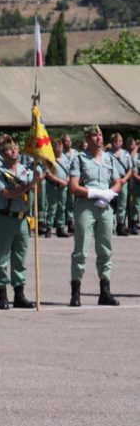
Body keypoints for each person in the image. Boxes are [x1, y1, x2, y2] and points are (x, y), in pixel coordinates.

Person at [67, 125, 122, 307]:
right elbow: (73, 187)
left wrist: (108, 194)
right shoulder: (79, 159)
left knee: (105, 250)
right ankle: (76, 292)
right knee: (81, 250)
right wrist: (96, 193)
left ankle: (104, 291)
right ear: (88, 139)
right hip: (86, 206)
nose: (99, 138)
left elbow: (118, 182)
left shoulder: (109, 159)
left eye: (100, 134)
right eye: (95, 135)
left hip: (104, 206)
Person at [0, 136, 40, 310]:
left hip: (23, 219)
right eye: (9, 149)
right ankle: (2, 294)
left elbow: (35, 183)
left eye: (16, 148)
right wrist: (30, 185)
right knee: (2, 258)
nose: (14, 151)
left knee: (20, 258)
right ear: (2, 153)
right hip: (5, 218)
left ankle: (19, 294)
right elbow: (8, 193)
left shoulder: (26, 171)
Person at [44, 138, 72, 238]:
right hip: (53, 186)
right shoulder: (50, 159)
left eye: (60, 146)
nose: (58, 148)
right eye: (56, 146)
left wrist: (67, 180)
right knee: (52, 207)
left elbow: (69, 171)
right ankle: (48, 227)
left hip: (64, 186)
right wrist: (59, 181)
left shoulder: (65, 158)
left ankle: (60, 227)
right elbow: (48, 174)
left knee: (62, 207)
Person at [107, 133, 133, 236]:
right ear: (112, 142)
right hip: (112, 182)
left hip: (123, 181)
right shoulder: (107, 154)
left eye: (120, 141)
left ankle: (120, 225)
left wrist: (125, 179)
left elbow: (130, 169)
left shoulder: (126, 153)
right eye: (116, 141)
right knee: (110, 203)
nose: (118, 143)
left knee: (122, 204)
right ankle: (108, 224)